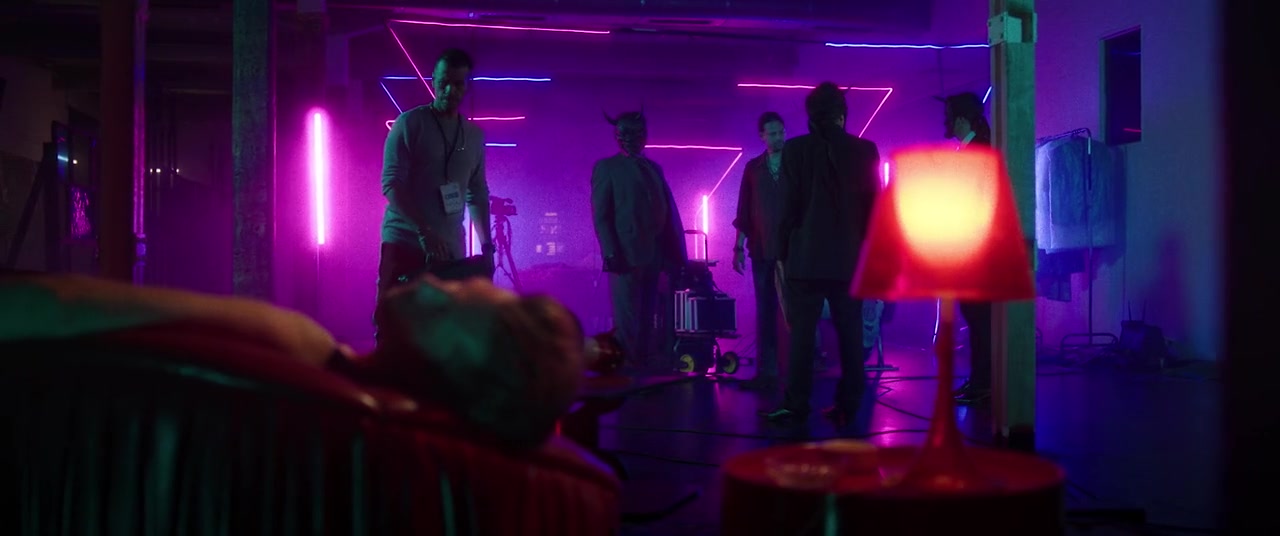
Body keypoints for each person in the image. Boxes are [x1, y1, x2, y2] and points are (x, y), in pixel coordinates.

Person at [762, 82, 880, 424]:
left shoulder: (795, 150)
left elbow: (788, 206)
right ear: (842, 114)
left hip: (805, 257)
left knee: (802, 334)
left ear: (810, 117)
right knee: (850, 332)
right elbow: (874, 208)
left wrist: (781, 250)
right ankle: (849, 403)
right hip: (849, 259)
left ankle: (796, 403)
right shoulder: (865, 150)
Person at [376, 48, 494, 336]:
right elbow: (391, 183)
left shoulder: (474, 136)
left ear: (467, 86)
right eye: (444, 82)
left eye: (458, 83)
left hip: (449, 251)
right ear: (433, 81)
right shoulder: (410, 124)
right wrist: (424, 231)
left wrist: (487, 247)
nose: (450, 90)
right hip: (405, 242)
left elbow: (477, 193)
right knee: (394, 327)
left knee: (440, 334)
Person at [591, 110, 688, 370]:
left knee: (648, 317)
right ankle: (629, 369)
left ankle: (643, 368)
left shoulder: (654, 168)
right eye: (628, 133)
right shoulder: (607, 168)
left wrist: (671, 252)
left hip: (654, 255)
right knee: (628, 320)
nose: (635, 138)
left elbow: (665, 210)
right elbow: (601, 216)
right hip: (626, 256)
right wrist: (611, 253)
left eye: (639, 132)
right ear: (618, 136)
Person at [941, 91, 995, 405]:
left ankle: (983, 382)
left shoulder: (978, 151)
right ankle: (979, 380)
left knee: (979, 318)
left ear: (961, 118)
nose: (945, 122)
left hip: (977, 251)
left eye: (948, 116)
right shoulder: (974, 149)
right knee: (975, 318)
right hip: (971, 250)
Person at [732, 112, 787, 390]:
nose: (778, 138)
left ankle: (793, 370)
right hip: (763, 248)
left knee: (794, 313)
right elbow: (744, 209)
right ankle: (767, 372)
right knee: (765, 311)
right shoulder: (753, 168)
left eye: (781, 132)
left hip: (790, 250)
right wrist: (738, 247)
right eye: (772, 133)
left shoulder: (796, 164)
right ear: (762, 136)